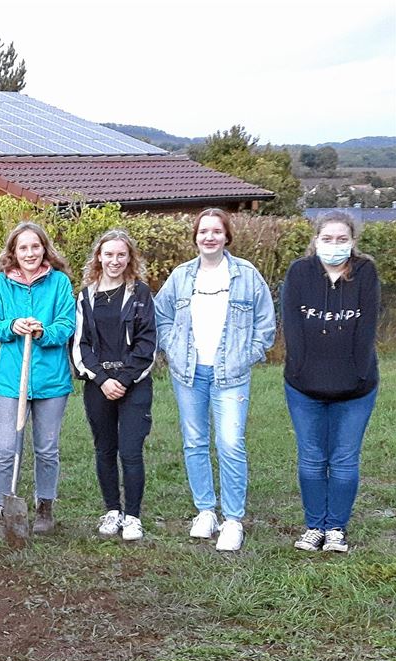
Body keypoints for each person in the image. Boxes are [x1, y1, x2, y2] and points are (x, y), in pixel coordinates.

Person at [154, 208, 276, 551]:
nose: (209, 237)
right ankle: (205, 511)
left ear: (226, 237)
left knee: (230, 443)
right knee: (195, 441)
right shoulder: (181, 276)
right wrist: (173, 347)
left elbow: (266, 323)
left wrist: (248, 354)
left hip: (231, 375)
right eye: (203, 231)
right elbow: (161, 315)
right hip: (189, 373)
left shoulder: (246, 275)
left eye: (216, 231)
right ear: (195, 237)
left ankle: (233, 520)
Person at [282, 211, 379, 553]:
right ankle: (314, 526)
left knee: (344, 459)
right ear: (316, 241)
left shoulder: (365, 272)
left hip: (355, 388)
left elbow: (367, 329)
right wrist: (302, 371)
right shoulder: (299, 272)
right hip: (304, 387)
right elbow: (291, 327)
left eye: (341, 239)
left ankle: (335, 528)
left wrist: (356, 375)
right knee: (311, 458)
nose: (334, 245)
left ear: (352, 242)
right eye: (327, 239)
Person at [0, 222, 75, 537]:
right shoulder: (1, 284)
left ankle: (44, 508)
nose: (30, 253)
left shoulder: (59, 282)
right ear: (14, 252)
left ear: (44, 249)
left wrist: (44, 331)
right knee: (6, 449)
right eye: (23, 247)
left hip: (51, 380)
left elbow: (67, 324)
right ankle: (2, 512)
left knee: (46, 449)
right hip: (11, 381)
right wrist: (12, 326)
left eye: (35, 246)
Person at [71, 229, 157, 541]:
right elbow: (80, 345)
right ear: (99, 257)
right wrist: (102, 379)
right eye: (108, 254)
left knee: (131, 451)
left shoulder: (141, 294)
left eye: (121, 254)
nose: (115, 260)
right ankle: (112, 510)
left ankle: (132, 516)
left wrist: (122, 380)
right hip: (98, 385)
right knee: (105, 449)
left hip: (133, 384)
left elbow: (147, 344)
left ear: (129, 257)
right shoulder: (86, 296)